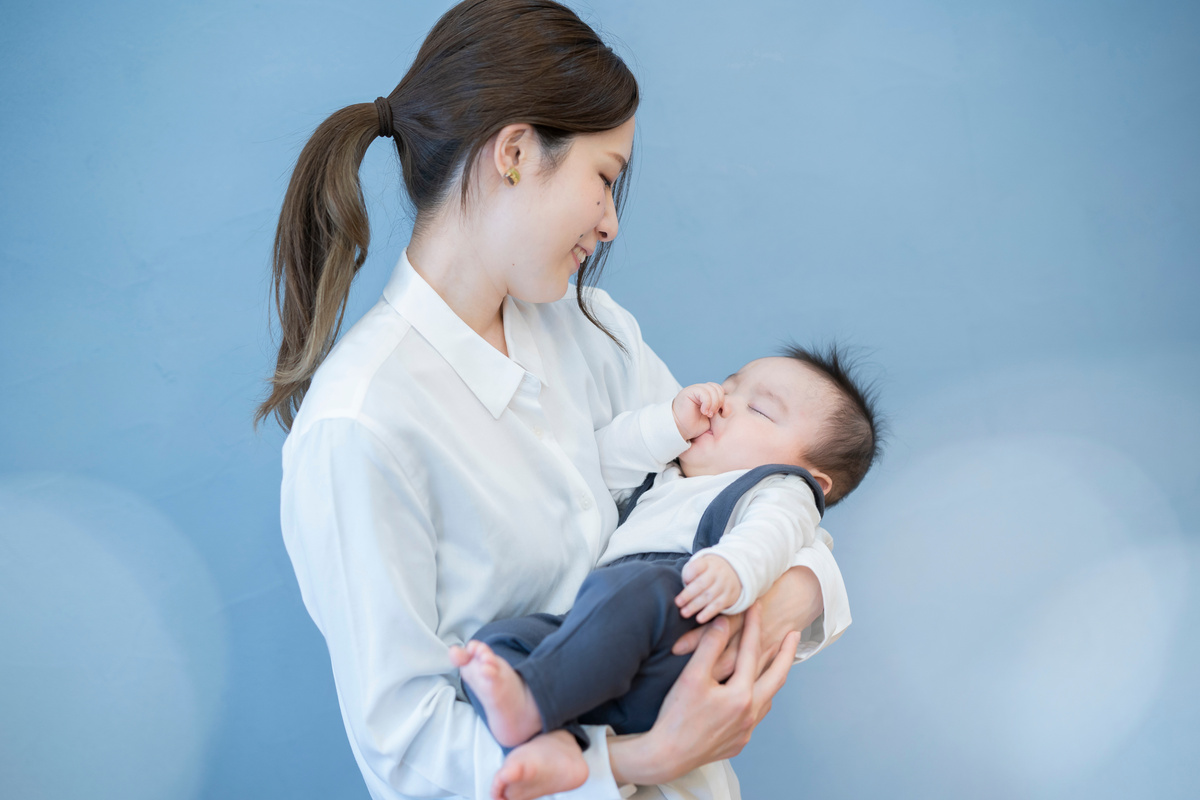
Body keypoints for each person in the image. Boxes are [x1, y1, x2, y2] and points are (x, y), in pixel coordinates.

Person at [258, 2, 852, 798]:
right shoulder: (361, 427)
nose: (609, 224)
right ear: (514, 152)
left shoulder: (596, 331)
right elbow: (408, 753)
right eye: (605, 178)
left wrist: (775, 599)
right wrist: (646, 757)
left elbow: (767, 493)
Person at [454, 346, 881, 800]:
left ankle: (537, 704)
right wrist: (669, 426)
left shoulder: (779, 488)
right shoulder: (666, 472)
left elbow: (775, 531)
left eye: (758, 408)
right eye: (728, 385)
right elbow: (590, 464)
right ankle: (554, 731)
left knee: (639, 589)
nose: (723, 401)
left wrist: (734, 567)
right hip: (603, 634)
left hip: (678, 627)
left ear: (811, 480)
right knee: (501, 642)